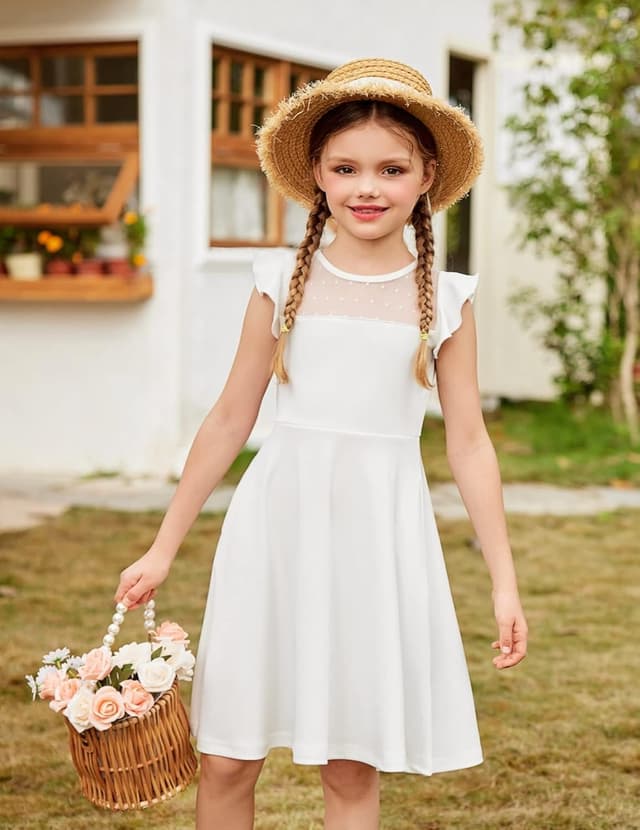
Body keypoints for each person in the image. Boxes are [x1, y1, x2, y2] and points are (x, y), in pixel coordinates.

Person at [114, 57, 528, 830]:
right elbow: (229, 419)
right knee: (229, 756)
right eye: (347, 167)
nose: (367, 187)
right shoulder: (278, 279)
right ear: (317, 174)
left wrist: (503, 583)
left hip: (379, 539)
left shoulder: (449, 299)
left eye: (391, 168)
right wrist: (162, 548)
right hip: (274, 529)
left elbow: (469, 444)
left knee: (350, 765)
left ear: (426, 174)